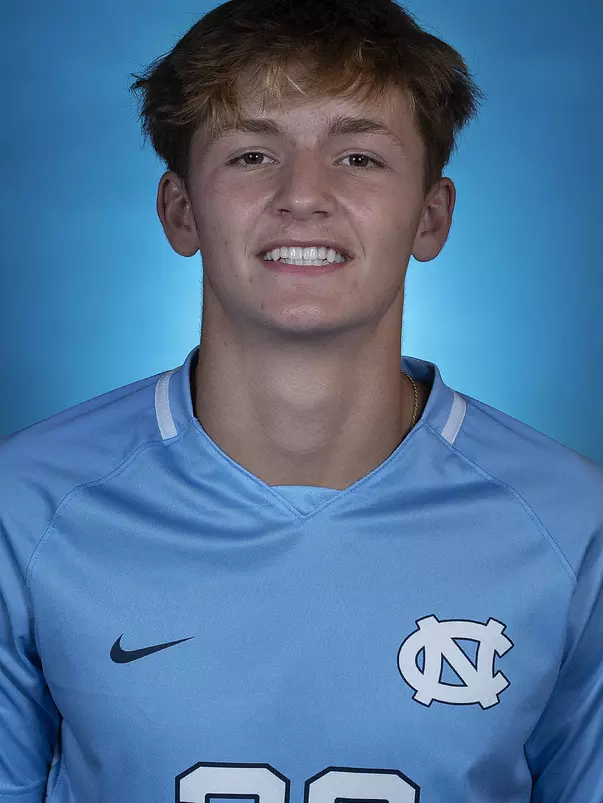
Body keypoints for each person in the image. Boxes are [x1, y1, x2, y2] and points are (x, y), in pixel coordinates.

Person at [1, 0, 601, 800]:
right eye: (252, 154)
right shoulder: (26, 507)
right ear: (180, 210)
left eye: (358, 158)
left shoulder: (571, 523)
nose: (303, 196)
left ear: (431, 217)